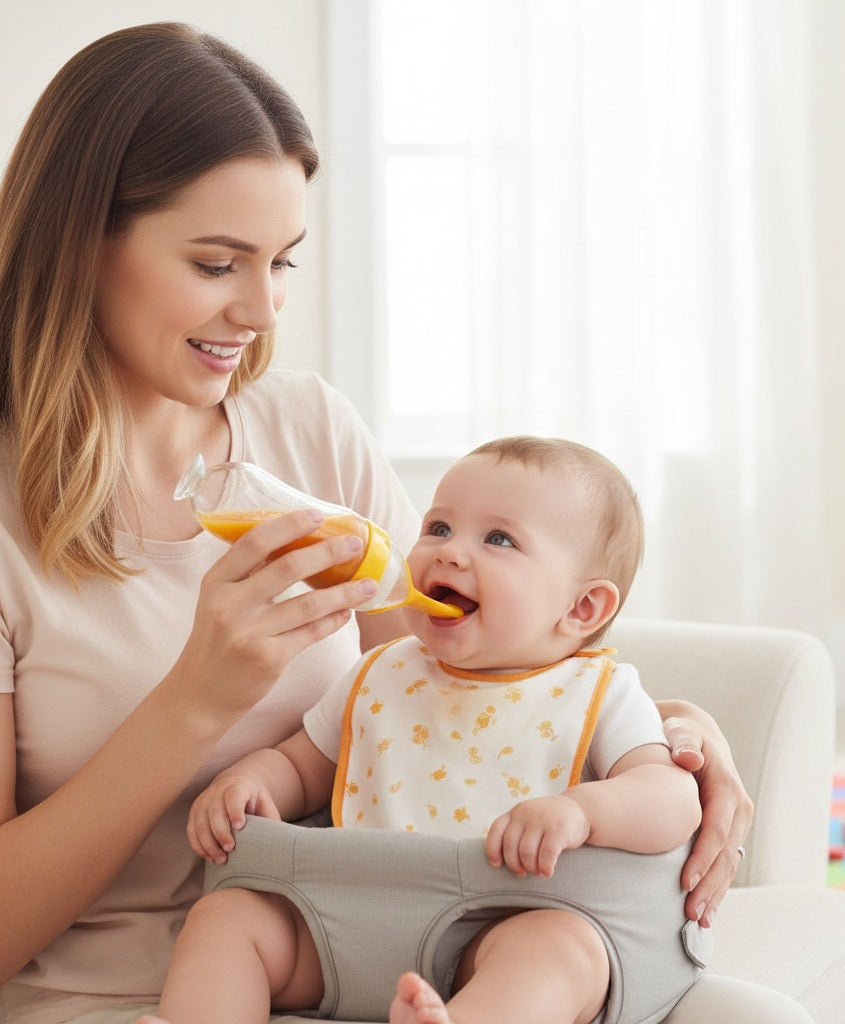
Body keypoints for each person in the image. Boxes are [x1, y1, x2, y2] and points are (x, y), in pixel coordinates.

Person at [0, 22, 755, 1024]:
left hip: (390, 954)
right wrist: (194, 702)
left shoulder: (306, 430)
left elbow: (467, 671)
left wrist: (670, 741)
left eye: (282, 264)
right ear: (81, 240)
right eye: (219, 263)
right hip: (131, 990)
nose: (262, 312)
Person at [142, 436, 705, 1024]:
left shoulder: (600, 693)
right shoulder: (381, 673)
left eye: (498, 539)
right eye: (438, 527)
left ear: (582, 609)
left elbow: (671, 799)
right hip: (344, 923)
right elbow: (303, 764)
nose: (450, 553)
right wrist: (252, 782)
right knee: (228, 918)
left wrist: (584, 811)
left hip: (497, 923)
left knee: (560, 951)